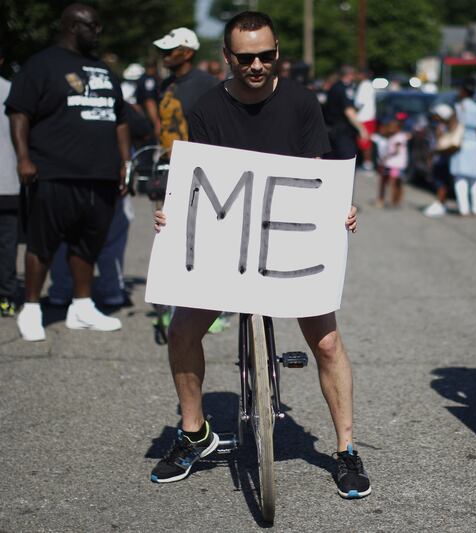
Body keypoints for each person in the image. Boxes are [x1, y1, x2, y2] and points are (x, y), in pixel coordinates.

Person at [148, 11, 371, 499]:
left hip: (290, 241)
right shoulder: (207, 107)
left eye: (266, 56)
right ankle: (193, 433)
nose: (256, 65)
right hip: (227, 243)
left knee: (328, 342)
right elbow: (197, 180)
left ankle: (346, 449)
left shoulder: (300, 101)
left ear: (277, 54)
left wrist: (341, 206)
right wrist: (171, 215)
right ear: (227, 56)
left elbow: (316, 170)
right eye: (245, 57)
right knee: (182, 330)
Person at [5, 3, 131, 341]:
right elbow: (19, 112)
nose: (98, 32)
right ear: (74, 26)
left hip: (101, 175)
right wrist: (24, 159)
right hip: (55, 171)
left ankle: (82, 306)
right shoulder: (42, 65)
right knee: (42, 244)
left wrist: (124, 163)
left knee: (87, 245)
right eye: (94, 26)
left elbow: (120, 119)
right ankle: (31, 309)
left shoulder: (101, 69)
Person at [152, 27, 217, 156]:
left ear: (188, 53)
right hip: (164, 161)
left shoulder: (208, 84)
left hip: (192, 161)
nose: (164, 55)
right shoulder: (165, 84)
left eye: (170, 51)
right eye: (163, 51)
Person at [0, 46, 19, 317]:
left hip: (8, 178)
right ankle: (5, 297)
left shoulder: (12, 91)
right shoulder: (12, 91)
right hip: (8, 179)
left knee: (7, 241)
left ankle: (5, 294)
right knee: (6, 241)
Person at [450, 80, 476, 216]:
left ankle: (464, 209)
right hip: (475, 142)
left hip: (461, 142)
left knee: (460, 178)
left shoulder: (459, 107)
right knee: (475, 179)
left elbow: (453, 125)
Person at [423, 103, 460, 217]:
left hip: (442, 158)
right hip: (438, 157)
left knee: (441, 182)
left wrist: (433, 153)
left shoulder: (446, 127)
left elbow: (441, 144)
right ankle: (439, 202)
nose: (433, 117)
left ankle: (440, 202)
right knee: (438, 181)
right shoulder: (439, 126)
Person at [324, 65, 367, 160]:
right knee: (347, 160)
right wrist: (362, 129)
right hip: (342, 132)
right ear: (349, 75)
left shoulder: (335, 87)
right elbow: (349, 111)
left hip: (332, 130)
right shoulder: (343, 89)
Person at [373, 114, 410, 207]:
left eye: (392, 127)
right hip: (389, 163)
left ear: (397, 128)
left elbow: (396, 150)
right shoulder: (392, 137)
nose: (389, 129)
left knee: (394, 182)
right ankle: (384, 199)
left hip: (396, 164)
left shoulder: (399, 137)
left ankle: (393, 200)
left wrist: (387, 156)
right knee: (385, 180)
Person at [354, 69, 377, 170]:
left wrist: (351, 111)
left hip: (364, 117)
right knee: (366, 141)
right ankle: (367, 163)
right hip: (369, 116)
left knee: (364, 141)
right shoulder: (369, 85)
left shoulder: (364, 85)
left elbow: (359, 102)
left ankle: (367, 163)